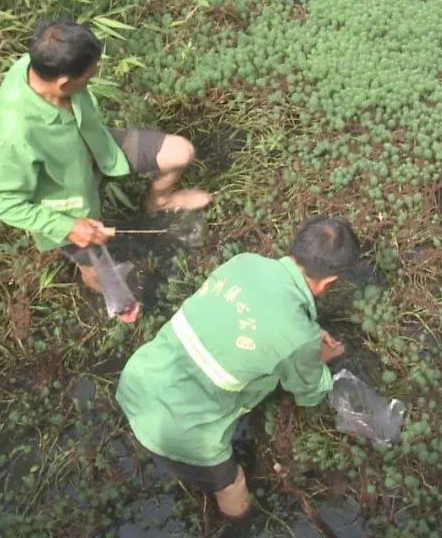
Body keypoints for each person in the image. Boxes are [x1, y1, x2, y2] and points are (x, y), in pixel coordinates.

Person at [115, 217, 359, 529]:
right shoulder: (299, 337)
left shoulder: (243, 263)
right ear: (329, 281)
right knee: (233, 485)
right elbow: (310, 393)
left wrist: (304, 336)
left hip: (138, 378)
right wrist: (318, 356)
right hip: (178, 428)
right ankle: (240, 527)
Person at [0, 20, 210, 292]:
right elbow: (1, 201)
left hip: (99, 147)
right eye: (89, 77)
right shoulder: (12, 134)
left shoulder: (41, 64)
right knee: (100, 273)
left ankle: (159, 201)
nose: (94, 76)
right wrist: (68, 226)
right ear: (64, 83)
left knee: (181, 152)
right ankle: (99, 286)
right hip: (68, 202)